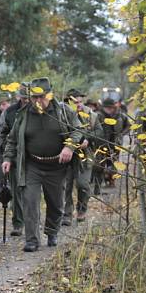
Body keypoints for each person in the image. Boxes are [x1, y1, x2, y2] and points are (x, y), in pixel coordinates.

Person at [2, 77, 84, 252]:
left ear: (50, 94)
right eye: (34, 97)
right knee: (30, 201)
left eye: (42, 97)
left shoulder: (64, 111)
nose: (38, 101)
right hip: (32, 165)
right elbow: (12, 139)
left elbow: (79, 130)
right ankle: (32, 240)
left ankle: (52, 231)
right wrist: (8, 158)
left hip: (57, 166)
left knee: (55, 203)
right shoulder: (23, 114)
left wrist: (69, 147)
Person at [62, 88, 104, 225]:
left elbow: (99, 132)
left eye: (80, 101)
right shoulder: (61, 113)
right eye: (75, 102)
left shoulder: (91, 115)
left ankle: (82, 209)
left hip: (85, 155)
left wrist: (88, 139)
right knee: (66, 186)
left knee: (83, 184)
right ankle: (66, 214)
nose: (79, 104)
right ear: (68, 102)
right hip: (66, 153)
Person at [0, 82, 30, 236]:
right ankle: (18, 223)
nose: (26, 101)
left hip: (34, 158)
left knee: (31, 192)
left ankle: (31, 221)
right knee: (16, 191)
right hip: (15, 157)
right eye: (23, 98)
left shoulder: (40, 111)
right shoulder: (9, 112)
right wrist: (8, 150)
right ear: (18, 97)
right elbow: (1, 132)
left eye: (28, 98)